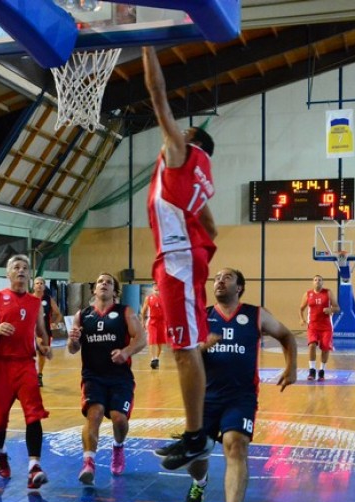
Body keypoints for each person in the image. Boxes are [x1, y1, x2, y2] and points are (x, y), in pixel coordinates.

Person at [143, 46, 218, 469]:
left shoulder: (179, 152)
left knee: (184, 350)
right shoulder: (201, 175)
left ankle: (196, 436)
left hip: (177, 259)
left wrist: (146, 45)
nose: (175, 129)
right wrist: (199, 247)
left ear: (190, 139)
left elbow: (157, 95)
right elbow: (212, 227)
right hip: (182, 256)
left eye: (182, 129)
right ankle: (195, 432)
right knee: (184, 347)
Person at [185, 268, 297, 502]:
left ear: (240, 288)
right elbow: (184, 357)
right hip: (205, 398)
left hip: (241, 397)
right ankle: (200, 482)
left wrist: (291, 367)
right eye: (216, 278)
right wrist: (201, 348)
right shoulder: (202, 316)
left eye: (227, 277)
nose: (219, 281)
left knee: (236, 445)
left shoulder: (256, 314)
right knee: (197, 455)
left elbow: (287, 336)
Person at [0, 254, 52, 489]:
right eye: (16, 267)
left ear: (29, 274)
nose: (21, 271)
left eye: (25, 268)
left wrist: (43, 346)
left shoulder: (35, 303)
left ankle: (34, 466)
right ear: (7, 273)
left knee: (34, 414)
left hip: (25, 364)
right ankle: (0, 452)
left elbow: (41, 332)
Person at [67, 273, 146, 485]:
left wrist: (126, 352)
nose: (104, 284)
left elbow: (142, 339)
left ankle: (118, 447)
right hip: (93, 376)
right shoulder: (82, 316)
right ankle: (88, 463)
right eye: (100, 281)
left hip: (120, 377)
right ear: (94, 289)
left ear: (115, 292)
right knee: (95, 414)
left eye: (109, 282)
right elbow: (73, 349)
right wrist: (72, 341)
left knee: (119, 418)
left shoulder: (125, 312)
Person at [299, 275, 339, 381]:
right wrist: (302, 319)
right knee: (312, 345)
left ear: (323, 282)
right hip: (313, 326)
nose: (318, 282)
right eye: (316, 280)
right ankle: (312, 370)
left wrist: (331, 310)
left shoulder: (328, 292)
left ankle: (321, 371)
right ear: (313, 282)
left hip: (326, 327)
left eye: (320, 280)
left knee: (325, 349)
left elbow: (337, 307)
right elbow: (301, 309)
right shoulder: (308, 294)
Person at [33, 276, 63, 387]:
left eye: (41, 283)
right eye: (37, 283)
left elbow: (58, 313)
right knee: (28, 354)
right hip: (31, 332)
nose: (39, 285)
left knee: (42, 354)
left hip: (45, 332)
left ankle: (39, 375)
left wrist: (54, 323)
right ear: (34, 286)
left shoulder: (48, 299)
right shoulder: (29, 298)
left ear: (44, 286)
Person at [139, 283, 166, 370]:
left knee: (160, 342)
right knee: (152, 339)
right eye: (155, 288)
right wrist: (142, 321)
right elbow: (143, 311)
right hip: (152, 321)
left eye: (158, 288)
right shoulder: (149, 298)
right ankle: (153, 358)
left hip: (162, 322)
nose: (156, 289)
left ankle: (157, 358)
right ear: (152, 289)